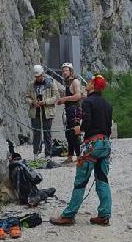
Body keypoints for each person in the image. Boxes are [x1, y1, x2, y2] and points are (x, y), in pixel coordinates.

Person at [50, 74, 113, 227]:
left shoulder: (88, 102)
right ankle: (104, 215)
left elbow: (88, 121)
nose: (87, 84)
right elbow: (108, 128)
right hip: (105, 144)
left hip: (92, 144)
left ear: (93, 86)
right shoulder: (107, 104)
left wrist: (80, 129)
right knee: (102, 180)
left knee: (80, 181)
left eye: (90, 82)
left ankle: (69, 215)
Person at [25, 65, 59, 162]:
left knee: (47, 133)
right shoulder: (31, 84)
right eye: (36, 76)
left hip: (47, 112)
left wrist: (45, 102)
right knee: (36, 133)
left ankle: (48, 154)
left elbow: (56, 96)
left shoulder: (51, 83)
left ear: (42, 74)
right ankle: (36, 153)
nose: (37, 78)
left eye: (39, 76)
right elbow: (27, 97)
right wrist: (32, 102)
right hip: (35, 112)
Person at [56, 62, 82, 164]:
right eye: (63, 71)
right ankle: (70, 156)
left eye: (66, 70)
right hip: (68, 110)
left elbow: (78, 96)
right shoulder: (67, 82)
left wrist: (65, 99)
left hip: (74, 110)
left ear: (70, 71)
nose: (64, 72)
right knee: (69, 134)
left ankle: (79, 156)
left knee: (75, 134)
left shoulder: (75, 82)